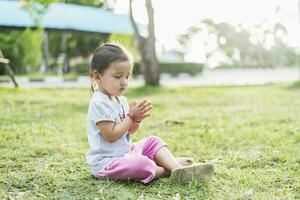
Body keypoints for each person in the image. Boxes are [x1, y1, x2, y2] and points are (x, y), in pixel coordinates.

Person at [86, 43, 214, 184]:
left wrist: (136, 120)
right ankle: (167, 169)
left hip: (126, 153)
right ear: (97, 77)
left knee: (153, 141)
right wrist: (130, 117)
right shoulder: (99, 103)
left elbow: (129, 132)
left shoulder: (120, 99)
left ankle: (176, 167)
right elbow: (111, 136)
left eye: (127, 76)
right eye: (117, 77)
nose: (124, 82)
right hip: (107, 162)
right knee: (142, 164)